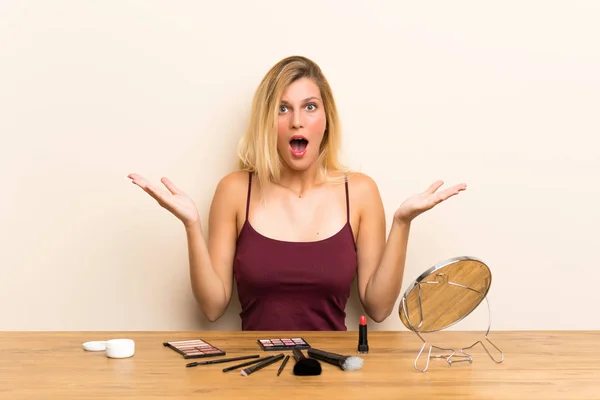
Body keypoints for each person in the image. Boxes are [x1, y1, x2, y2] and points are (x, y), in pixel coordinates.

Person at [128, 55, 466, 331]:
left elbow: (378, 308)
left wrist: (402, 222)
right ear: (267, 121)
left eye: (309, 107)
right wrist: (191, 224)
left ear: (326, 120)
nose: (297, 122)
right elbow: (213, 308)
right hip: (255, 374)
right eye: (282, 108)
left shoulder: (360, 191)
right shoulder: (234, 190)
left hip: (333, 374)